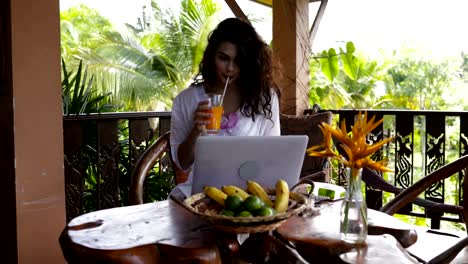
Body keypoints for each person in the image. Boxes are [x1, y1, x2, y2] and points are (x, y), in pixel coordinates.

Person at [169, 17, 282, 191]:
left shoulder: (263, 98)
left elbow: (273, 154)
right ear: (211, 55)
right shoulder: (186, 100)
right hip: (201, 193)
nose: (230, 68)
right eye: (223, 58)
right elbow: (182, 163)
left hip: (251, 193)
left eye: (238, 61)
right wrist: (196, 131)